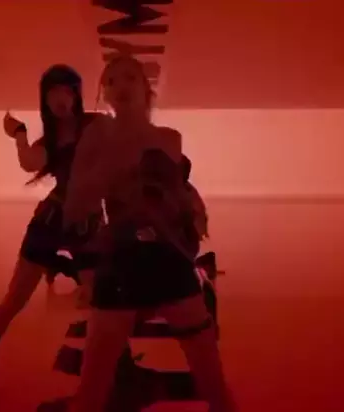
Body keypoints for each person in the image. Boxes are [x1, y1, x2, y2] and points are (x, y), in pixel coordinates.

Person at [62, 55, 236, 412]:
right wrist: (110, 165)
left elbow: (177, 194)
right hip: (121, 263)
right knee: (92, 390)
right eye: (111, 80)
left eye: (129, 77)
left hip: (170, 262)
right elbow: (75, 207)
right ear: (104, 93)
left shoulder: (169, 139)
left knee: (213, 381)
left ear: (146, 87)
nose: (120, 86)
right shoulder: (97, 136)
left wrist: (193, 211)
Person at [0, 64, 103, 412]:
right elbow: (29, 162)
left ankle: (115, 369)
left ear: (76, 94)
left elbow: (123, 149)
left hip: (86, 227)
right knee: (14, 300)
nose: (60, 99)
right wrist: (19, 133)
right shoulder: (49, 141)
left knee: (102, 303)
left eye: (66, 91)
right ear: (45, 100)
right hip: (50, 224)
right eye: (52, 93)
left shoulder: (95, 125)